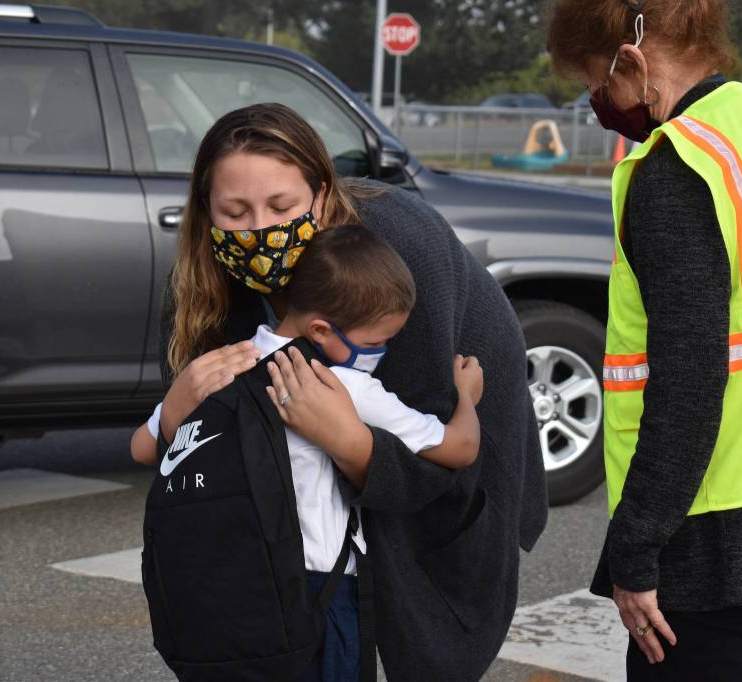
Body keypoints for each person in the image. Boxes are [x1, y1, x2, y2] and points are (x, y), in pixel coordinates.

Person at [135, 103, 548, 681]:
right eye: (234, 212)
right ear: (206, 214)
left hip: (452, 427)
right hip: (318, 512)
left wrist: (350, 443)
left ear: (323, 198)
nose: (258, 229)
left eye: (281, 207)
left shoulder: (395, 254)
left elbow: (435, 453)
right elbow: (188, 449)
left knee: (417, 630)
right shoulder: (202, 286)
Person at [546, 0, 742, 679]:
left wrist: (635, 547)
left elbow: (688, 379)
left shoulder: (678, 166)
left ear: (631, 60)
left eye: (600, 83)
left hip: (714, 535)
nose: (601, 103)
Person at [131, 224, 484, 680]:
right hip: (317, 595)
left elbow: (142, 448)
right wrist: (467, 397)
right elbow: (461, 447)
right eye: (375, 343)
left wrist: (180, 398)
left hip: (228, 589)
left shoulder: (223, 366)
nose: (381, 352)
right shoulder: (343, 385)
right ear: (321, 329)